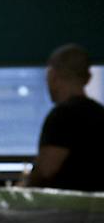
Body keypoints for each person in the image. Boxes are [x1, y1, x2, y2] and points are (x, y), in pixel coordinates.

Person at [21, 43, 104, 192]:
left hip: (67, 209)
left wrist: (23, 188)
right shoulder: (100, 114)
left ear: (52, 75)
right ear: (88, 77)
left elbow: (46, 169)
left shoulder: (62, 116)